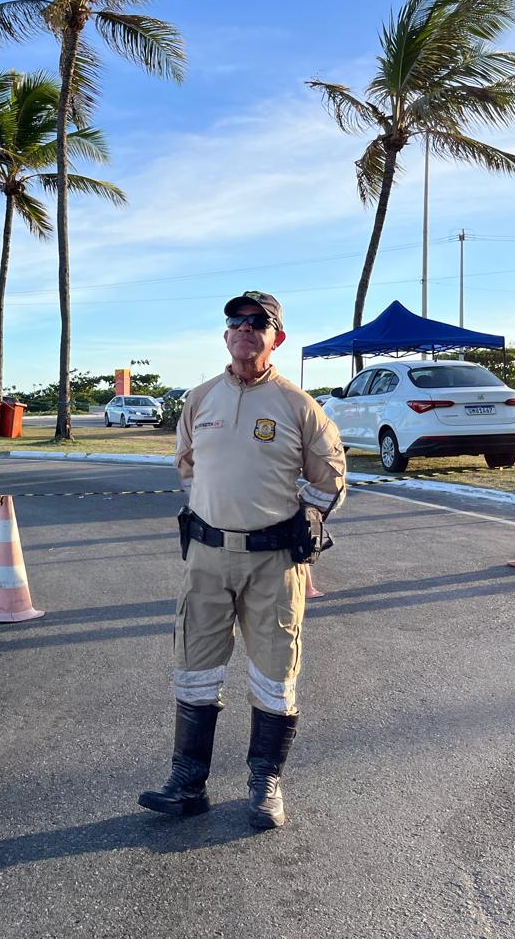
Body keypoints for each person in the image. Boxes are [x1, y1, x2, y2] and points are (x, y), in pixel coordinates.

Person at [139, 291, 346, 830]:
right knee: (195, 670)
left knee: (275, 674)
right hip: (206, 557)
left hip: (272, 563)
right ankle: (187, 783)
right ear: (225, 334)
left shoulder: (299, 406)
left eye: (261, 323)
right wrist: (212, 508)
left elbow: (331, 480)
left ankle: (265, 784)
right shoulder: (199, 398)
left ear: (277, 337)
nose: (246, 329)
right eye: (237, 322)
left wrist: (306, 519)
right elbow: (187, 467)